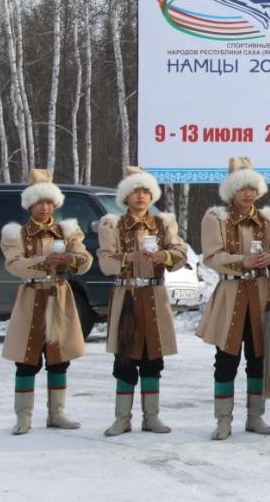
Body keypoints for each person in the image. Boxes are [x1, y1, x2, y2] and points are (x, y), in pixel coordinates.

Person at [196, 157, 270, 439]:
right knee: (226, 359)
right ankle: (223, 420)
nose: (248, 193)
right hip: (231, 294)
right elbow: (212, 256)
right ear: (230, 191)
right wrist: (242, 261)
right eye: (241, 188)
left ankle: (255, 416)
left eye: (252, 187)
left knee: (258, 358)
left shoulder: (269, 219)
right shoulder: (216, 219)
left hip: (260, 295)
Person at [0, 169, 92, 435]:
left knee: (59, 357)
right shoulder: (15, 234)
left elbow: (85, 260)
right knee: (27, 359)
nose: (44, 207)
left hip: (59, 296)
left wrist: (72, 260)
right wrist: (43, 263)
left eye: (49, 202)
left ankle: (57, 413)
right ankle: (24, 416)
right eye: (40, 202)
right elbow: (15, 265)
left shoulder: (68, 231)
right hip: (31, 298)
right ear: (30, 204)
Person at [97, 166, 188, 436]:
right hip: (127, 295)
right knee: (124, 357)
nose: (141, 196)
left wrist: (167, 257)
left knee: (153, 357)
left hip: (154, 296)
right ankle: (122, 418)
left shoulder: (163, 223)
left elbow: (180, 250)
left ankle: (152, 416)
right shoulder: (112, 224)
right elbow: (104, 261)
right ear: (126, 196)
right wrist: (128, 259)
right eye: (136, 191)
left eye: (146, 191)